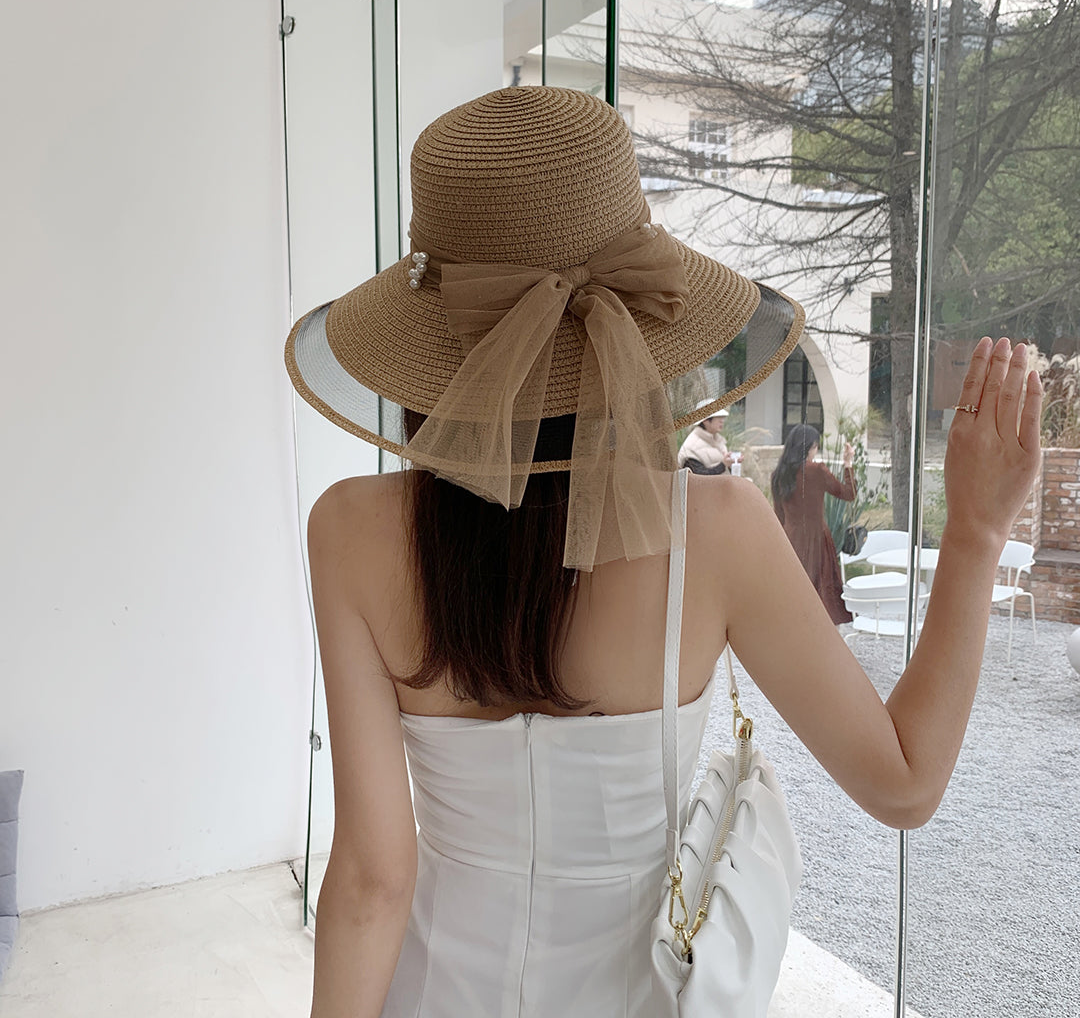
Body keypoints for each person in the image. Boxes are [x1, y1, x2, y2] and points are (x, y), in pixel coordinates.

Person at [284, 86, 1042, 1018]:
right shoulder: (716, 534)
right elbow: (905, 784)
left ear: (431, 350)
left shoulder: (350, 531)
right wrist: (973, 533)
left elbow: (371, 881)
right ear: (636, 338)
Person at [771, 425, 857, 624]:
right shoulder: (816, 470)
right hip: (817, 538)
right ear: (811, 446)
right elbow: (848, 494)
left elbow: (779, 516)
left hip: (791, 539)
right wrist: (848, 463)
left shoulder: (778, 474)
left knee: (793, 593)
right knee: (822, 596)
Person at [677, 404, 735, 474]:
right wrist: (723, 465)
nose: (722, 421)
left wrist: (733, 462)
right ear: (705, 420)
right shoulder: (692, 446)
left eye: (722, 417)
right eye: (718, 417)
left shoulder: (718, 441)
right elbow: (698, 477)